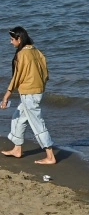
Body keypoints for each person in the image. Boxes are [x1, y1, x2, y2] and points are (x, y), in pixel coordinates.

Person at [2, 27, 55, 165]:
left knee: (37, 124)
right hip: (37, 92)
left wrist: (6, 95)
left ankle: (50, 156)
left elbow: (16, 77)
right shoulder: (36, 51)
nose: (10, 42)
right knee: (18, 117)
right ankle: (17, 149)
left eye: (12, 39)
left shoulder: (22, 54)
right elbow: (45, 73)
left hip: (29, 94)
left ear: (19, 39)